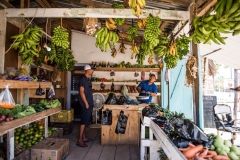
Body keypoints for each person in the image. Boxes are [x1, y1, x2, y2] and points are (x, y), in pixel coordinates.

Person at [77, 64, 95, 147]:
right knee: (83, 121)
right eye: (92, 69)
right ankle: (80, 140)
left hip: (89, 103)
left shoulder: (88, 79)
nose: (93, 71)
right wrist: (86, 103)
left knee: (86, 120)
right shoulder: (83, 79)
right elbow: (81, 92)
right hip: (85, 104)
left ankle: (84, 137)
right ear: (88, 70)